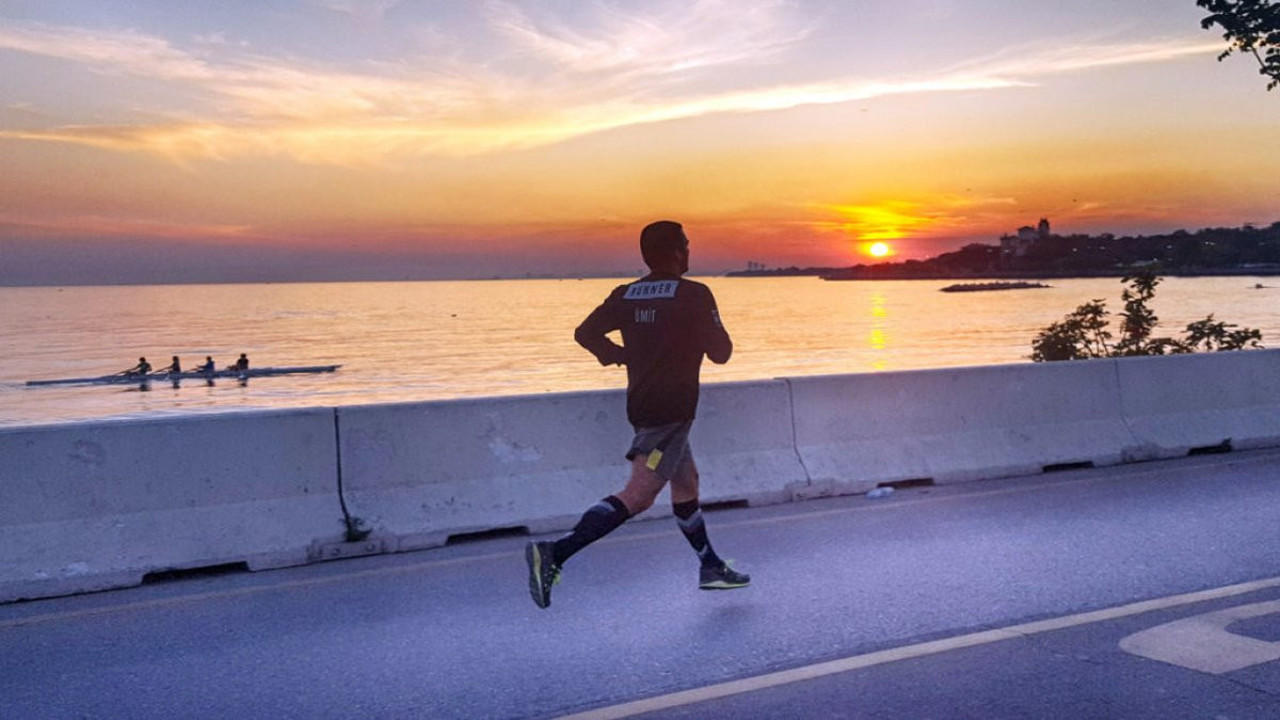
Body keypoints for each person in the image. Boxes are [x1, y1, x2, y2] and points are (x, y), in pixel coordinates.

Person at [524, 220, 749, 610]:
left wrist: (621, 356)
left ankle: (710, 567)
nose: (690, 251)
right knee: (640, 495)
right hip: (670, 411)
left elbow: (585, 333)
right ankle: (555, 552)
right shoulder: (694, 294)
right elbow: (722, 352)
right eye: (687, 245)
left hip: (645, 404)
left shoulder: (626, 294)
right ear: (679, 251)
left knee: (687, 482)